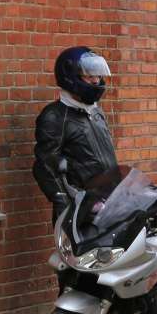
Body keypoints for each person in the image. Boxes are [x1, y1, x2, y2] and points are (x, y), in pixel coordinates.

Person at [32, 46, 118, 224]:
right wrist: (63, 203)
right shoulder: (54, 116)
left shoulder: (96, 113)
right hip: (80, 209)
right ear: (72, 77)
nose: (96, 81)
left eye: (98, 75)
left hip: (108, 204)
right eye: (89, 76)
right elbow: (45, 166)